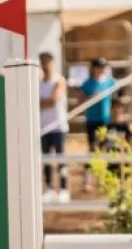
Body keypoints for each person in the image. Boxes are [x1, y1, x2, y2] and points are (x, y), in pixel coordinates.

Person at [75, 57, 116, 189]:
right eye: (99, 67)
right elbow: (79, 101)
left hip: (106, 120)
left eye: (103, 67)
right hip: (92, 121)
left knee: (107, 148)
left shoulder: (110, 82)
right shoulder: (88, 83)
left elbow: (116, 97)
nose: (101, 69)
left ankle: (104, 179)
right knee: (93, 149)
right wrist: (92, 97)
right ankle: (87, 179)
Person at [38, 52, 70, 203]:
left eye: (47, 62)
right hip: (43, 127)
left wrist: (40, 103)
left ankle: (64, 189)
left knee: (60, 159)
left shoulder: (59, 80)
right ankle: (49, 188)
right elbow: (35, 103)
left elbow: (53, 100)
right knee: (45, 159)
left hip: (58, 126)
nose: (45, 66)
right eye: (43, 62)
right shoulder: (39, 83)